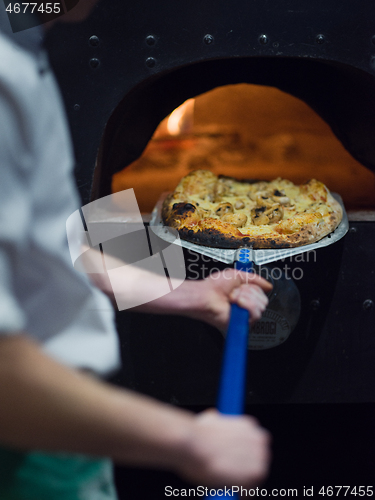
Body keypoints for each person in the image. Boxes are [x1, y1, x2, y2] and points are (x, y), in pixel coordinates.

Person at [0, 1, 272, 498]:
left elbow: (45, 251)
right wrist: (189, 441)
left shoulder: (21, 35)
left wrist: (189, 293)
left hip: (63, 429)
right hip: (25, 453)